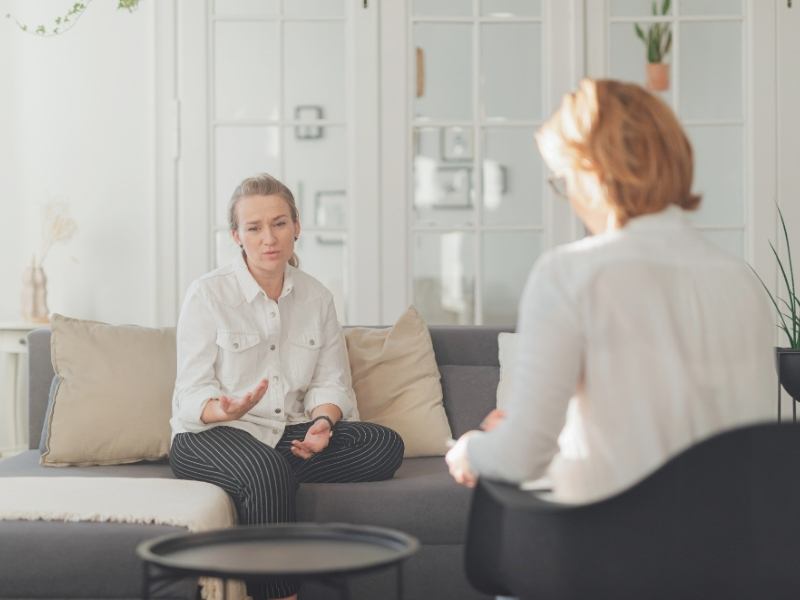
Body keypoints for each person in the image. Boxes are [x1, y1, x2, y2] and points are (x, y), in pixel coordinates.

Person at [446, 79, 776, 503]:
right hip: (743, 550)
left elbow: (519, 458)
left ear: (592, 173)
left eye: (563, 179)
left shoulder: (570, 273)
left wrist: (471, 449)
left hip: (615, 547)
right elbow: (688, 431)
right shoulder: (741, 280)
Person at [169, 173, 405, 600]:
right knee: (267, 470)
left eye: (279, 224)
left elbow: (331, 382)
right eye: (254, 228)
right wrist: (225, 410)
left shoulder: (317, 297)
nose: (268, 238)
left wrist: (323, 424)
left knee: (383, 444)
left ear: (297, 226)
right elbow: (190, 393)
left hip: (287, 435)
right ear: (236, 235)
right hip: (210, 435)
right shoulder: (207, 295)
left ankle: (259, 485)